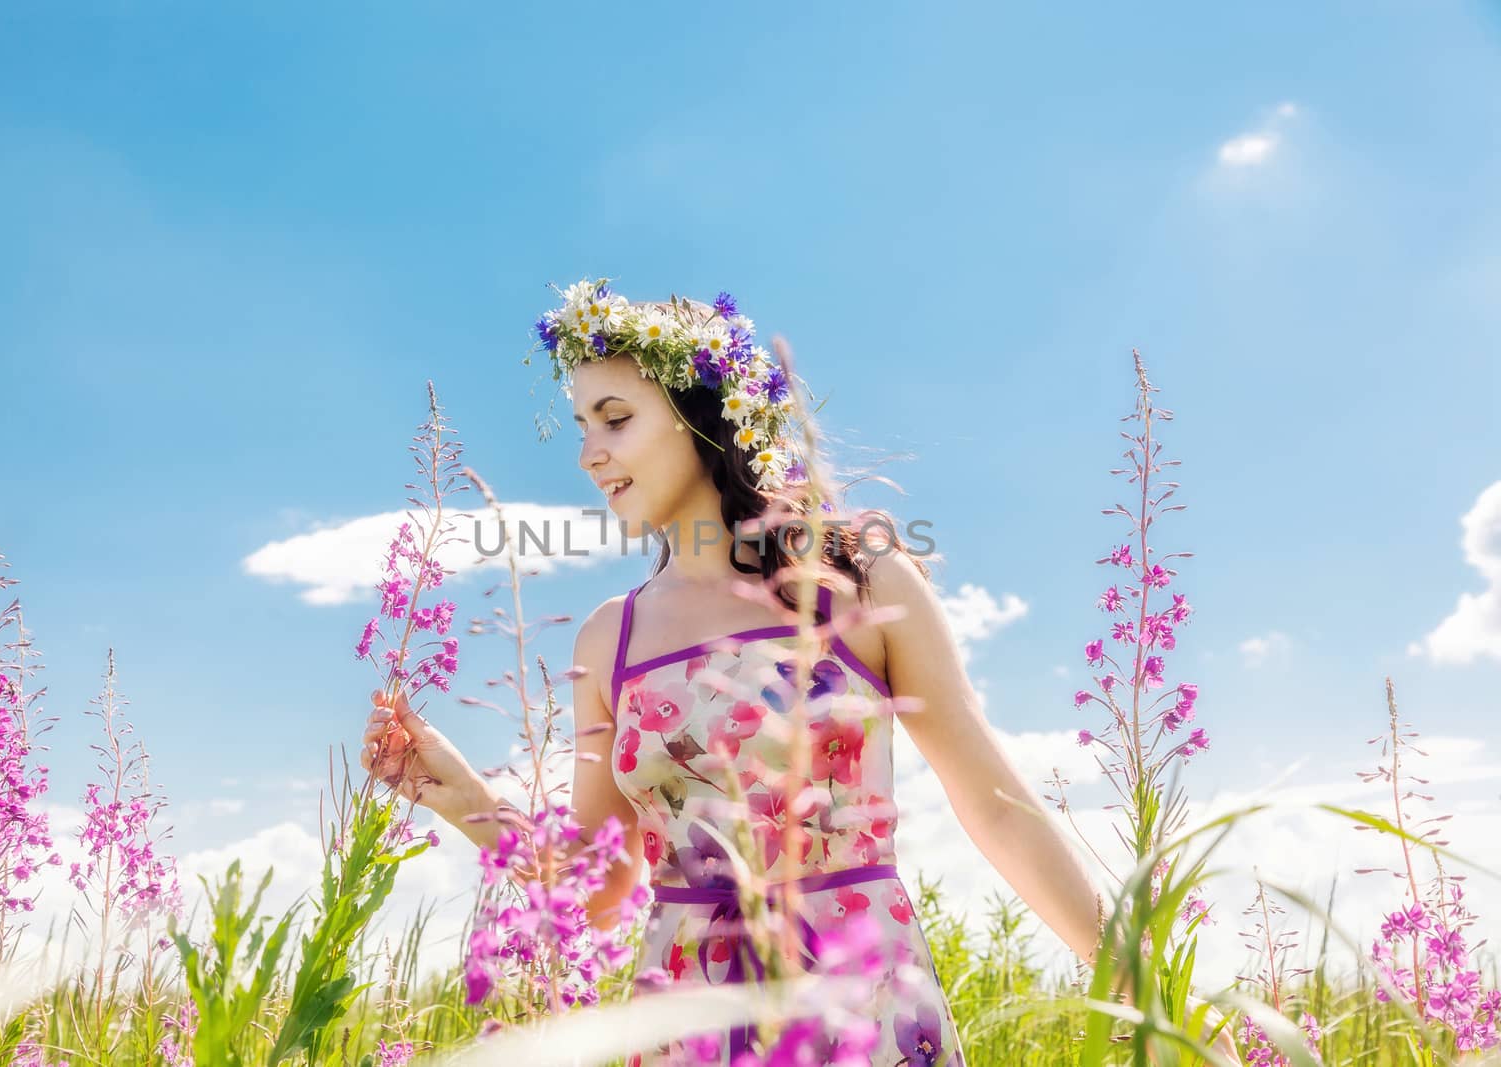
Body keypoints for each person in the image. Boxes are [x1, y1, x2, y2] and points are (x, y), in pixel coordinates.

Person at [360, 280, 1239, 1065]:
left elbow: (995, 806)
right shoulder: (607, 640)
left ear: (702, 416)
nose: (589, 452)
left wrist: (1149, 996)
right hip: (684, 1022)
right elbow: (605, 886)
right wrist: (460, 797)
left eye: (616, 419)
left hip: (861, 1004)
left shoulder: (859, 578)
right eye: (582, 425)